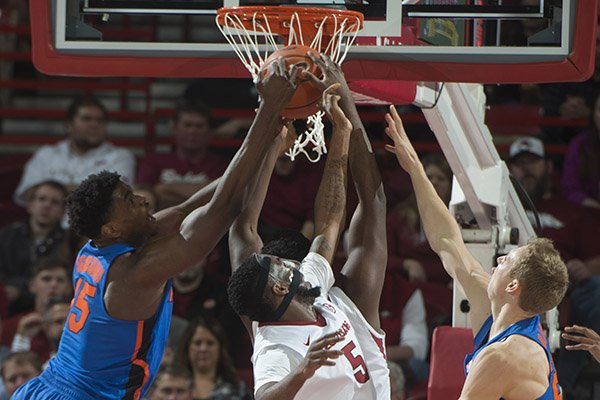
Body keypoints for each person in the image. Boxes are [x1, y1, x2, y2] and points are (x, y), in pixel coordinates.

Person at [11, 58, 302, 400]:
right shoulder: (134, 275)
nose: (143, 200)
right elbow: (225, 207)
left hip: (50, 386)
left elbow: (188, 207)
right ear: (113, 226)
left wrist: (270, 143)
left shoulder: (96, 246)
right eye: (129, 200)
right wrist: (268, 111)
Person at [227, 55, 390, 399]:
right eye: (279, 266)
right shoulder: (275, 347)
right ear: (279, 289)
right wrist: (302, 371)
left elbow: (329, 222)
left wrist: (340, 130)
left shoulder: (311, 283)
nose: (290, 264)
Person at [384, 105, 569, 399]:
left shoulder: (505, 356)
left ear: (513, 285)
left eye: (507, 260)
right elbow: (447, 241)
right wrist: (415, 169)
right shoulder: (499, 311)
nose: (497, 260)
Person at [507, 136, 600, 393]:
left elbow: (595, 257)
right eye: (520, 163)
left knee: (596, 290)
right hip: (514, 286)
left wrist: (587, 268)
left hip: (566, 287)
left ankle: (561, 386)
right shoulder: (500, 210)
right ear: (509, 171)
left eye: (533, 162)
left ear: (548, 166)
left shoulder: (571, 211)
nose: (526, 169)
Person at [13, 94, 136, 205]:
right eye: (87, 119)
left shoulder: (120, 156)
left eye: (100, 120)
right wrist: (90, 191)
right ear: (69, 125)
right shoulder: (46, 154)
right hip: (48, 227)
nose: (94, 124)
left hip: (96, 228)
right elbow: (29, 193)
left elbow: (116, 197)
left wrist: (53, 192)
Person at [137, 101, 229, 209]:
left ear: (209, 131)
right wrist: (203, 192)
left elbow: (220, 197)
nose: (193, 131)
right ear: (175, 129)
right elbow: (142, 197)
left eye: (199, 126)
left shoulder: (220, 164)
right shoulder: (153, 162)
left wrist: (165, 188)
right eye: (187, 125)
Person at [0, 180, 69, 313]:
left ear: (62, 212)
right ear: (30, 205)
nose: (47, 205)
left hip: (53, 308)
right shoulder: (7, 234)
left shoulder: (69, 241)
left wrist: (20, 291)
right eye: (41, 199)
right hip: (8, 304)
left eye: (54, 202)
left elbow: (63, 282)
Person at [0, 258, 72, 355]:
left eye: (60, 280)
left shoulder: (82, 324)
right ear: (32, 285)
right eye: (46, 279)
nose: (53, 284)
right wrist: (22, 338)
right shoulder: (11, 326)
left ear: (70, 287)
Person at [174, 316, 250, 400]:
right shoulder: (171, 386)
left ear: (220, 349)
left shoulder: (238, 390)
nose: (203, 349)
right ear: (187, 347)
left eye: (210, 343)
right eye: (197, 343)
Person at [561, 92, 600, 210]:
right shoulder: (579, 144)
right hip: (589, 212)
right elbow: (570, 188)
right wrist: (594, 206)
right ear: (593, 114)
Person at [10, 296, 71, 367]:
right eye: (59, 322)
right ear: (46, 328)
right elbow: (17, 370)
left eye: (70, 321)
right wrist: (23, 338)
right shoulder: (46, 370)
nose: (65, 327)